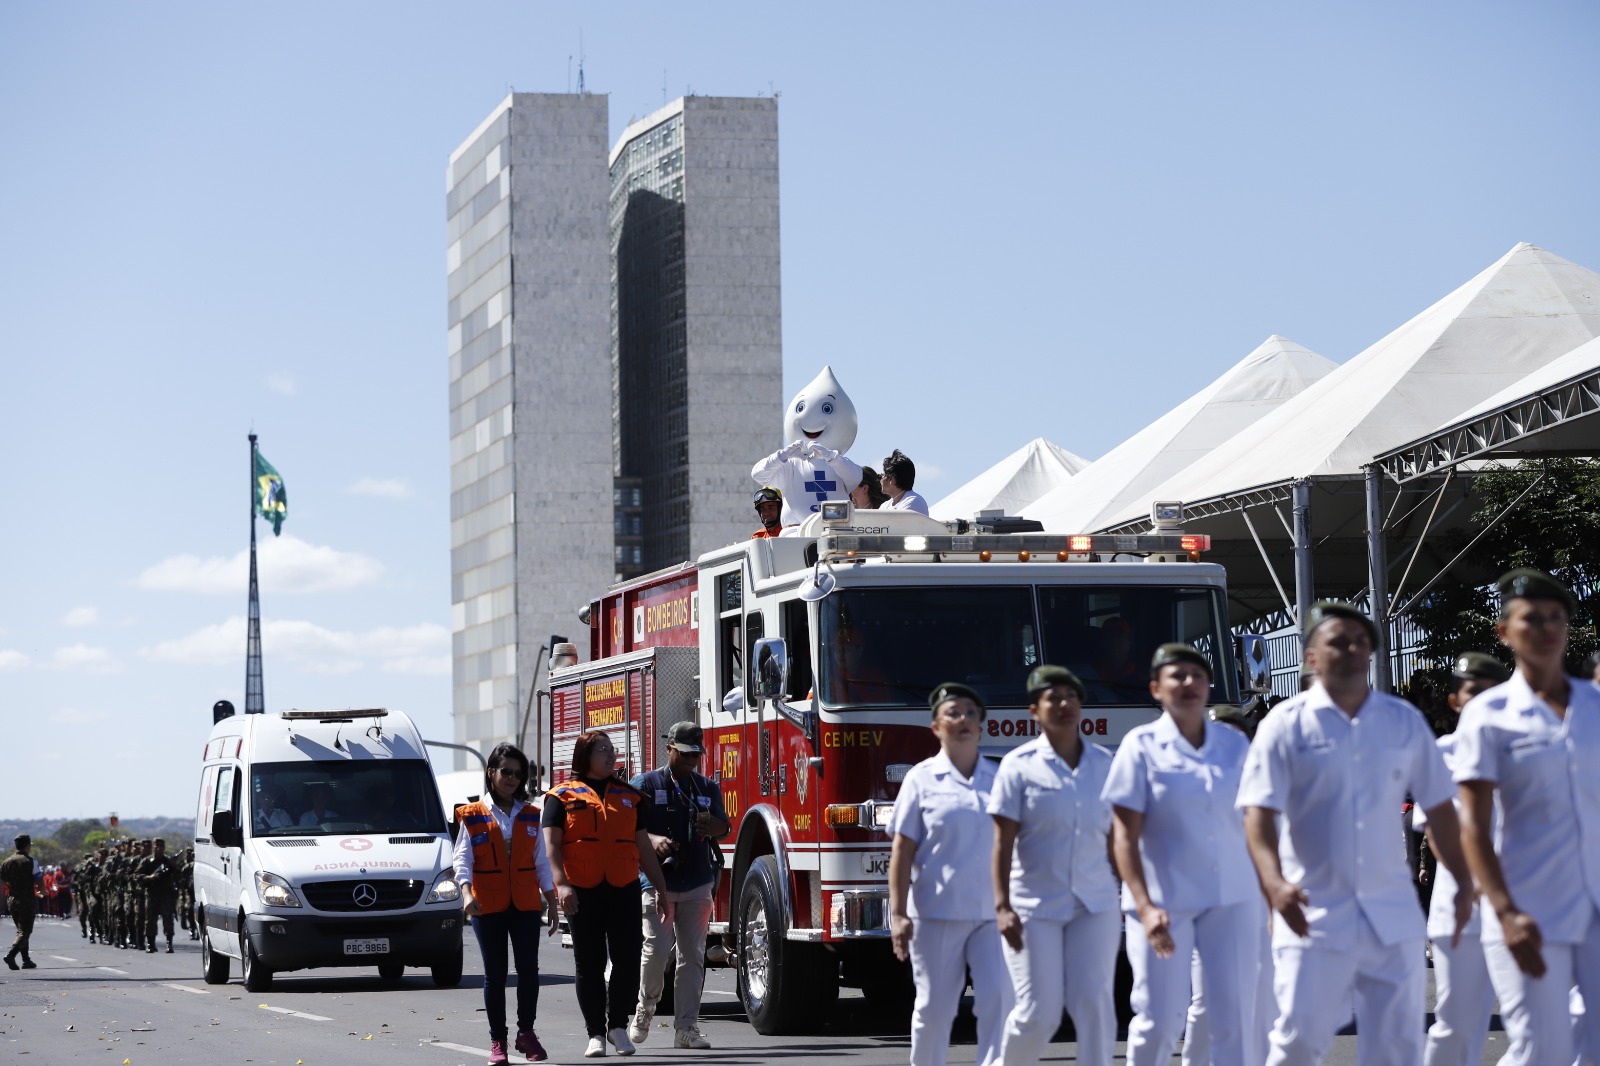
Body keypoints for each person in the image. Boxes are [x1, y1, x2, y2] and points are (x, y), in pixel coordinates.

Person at [1238, 601, 1475, 1066]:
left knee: (1396, 1046)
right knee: (1298, 1041)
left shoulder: (1401, 721)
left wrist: (1464, 882)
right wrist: (1272, 883)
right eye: (1337, 642)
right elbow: (1257, 816)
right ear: (1310, 656)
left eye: (1360, 642)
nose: (1350, 650)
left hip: (1390, 911)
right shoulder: (1284, 726)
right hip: (1310, 910)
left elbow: (1442, 809)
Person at [1454, 569, 1600, 1066]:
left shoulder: (1595, 707)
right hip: (1530, 908)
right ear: (1505, 631)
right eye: (1531, 619)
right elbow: (1472, 826)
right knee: (1542, 1049)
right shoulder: (1490, 713)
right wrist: (1505, 910)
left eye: (1556, 618)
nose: (1545, 629)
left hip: (1596, 904)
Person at [1104, 643, 1261, 1066]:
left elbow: (1255, 823)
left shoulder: (1234, 745)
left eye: (1197, 675)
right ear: (1156, 688)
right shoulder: (1140, 746)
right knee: (1158, 1018)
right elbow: (1124, 836)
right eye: (1177, 676)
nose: (1189, 683)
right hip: (1163, 902)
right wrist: (1143, 903)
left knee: (1231, 1016)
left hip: (1231, 899)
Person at [989, 665, 1120, 1066]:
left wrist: (1134, 893)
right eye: (1053, 698)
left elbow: (1119, 839)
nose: (1064, 704)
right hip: (1034, 906)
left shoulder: (1104, 763)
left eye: (1071, 696)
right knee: (1038, 1013)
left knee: (1094, 1004)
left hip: (1095, 903)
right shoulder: (1018, 765)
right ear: (1034, 711)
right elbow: (1002, 842)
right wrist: (1002, 906)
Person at [889, 682, 1012, 1066]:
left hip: (993, 914)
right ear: (936, 727)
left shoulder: (1000, 779)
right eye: (953, 713)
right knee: (936, 1008)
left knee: (1001, 1001)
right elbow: (902, 851)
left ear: (981, 726)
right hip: (937, 912)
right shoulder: (921, 780)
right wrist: (897, 912)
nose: (963, 720)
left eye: (971, 714)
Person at [543, 731, 673, 1059]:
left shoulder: (628, 796)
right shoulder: (560, 797)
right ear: (585, 754)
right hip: (582, 891)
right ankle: (595, 1034)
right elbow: (551, 847)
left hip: (623, 888)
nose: (611, 754)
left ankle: (617, 1026)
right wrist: (561, 884)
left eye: (613, 750)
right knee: (589, 963)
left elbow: (643, 846)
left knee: (627, 959)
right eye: (603, 749)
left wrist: (660, 888)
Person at [1417, 651, 1509, 1066]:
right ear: (1455, 700)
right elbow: (1436, 830)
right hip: (1462, 909)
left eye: (1494, 692)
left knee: (1538, 1025)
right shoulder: (1443, 752)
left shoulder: (1526, 749)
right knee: (1457, 1024)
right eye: (1474, 691)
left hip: (1519, 908)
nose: (1483, 700)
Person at [627, 721, 732, 1051]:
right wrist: (654, 839)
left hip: (698, 881)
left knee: (693, 957)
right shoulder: (644, 784)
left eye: (696, 754)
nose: (692, 760)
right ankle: (644, 1009)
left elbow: (724, 827)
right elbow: (627, 828)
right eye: (685, 754)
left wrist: (710, 824)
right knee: (656, 952)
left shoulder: (707, 787)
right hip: (657, 882)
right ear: (669, 748)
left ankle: (686, 1028)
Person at [454, 742, 558, 1065]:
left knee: (529, 971)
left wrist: (552, 901)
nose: (512, 778)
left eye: (518, 773)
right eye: (506, 772)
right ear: (491, 773)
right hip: (487, 907)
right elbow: (462, 860)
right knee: (495, 974)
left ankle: (526, 1032)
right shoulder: (472, 816)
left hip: (526, 904)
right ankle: (497, 1041)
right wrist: (467, 894)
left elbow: (542, 862)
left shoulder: (531, 815)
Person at [750, 365, 863, 526]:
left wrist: (830, 456)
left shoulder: (839, 464)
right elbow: (758, 474)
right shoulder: (790, 466)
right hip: (795, 531)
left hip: (837, 529)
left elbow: (855, 476)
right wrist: (783, 455)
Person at [2, 835, 40, 970]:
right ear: (27, 846)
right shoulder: (30, 861)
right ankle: (11, 955)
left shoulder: (7, 862)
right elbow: (39, 879)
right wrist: (43, 891)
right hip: (26, 900)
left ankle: (26, 960)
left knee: (21, 930)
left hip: (11, 900)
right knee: (25, 930)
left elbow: (2, 882)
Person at [143, 838, 178, 953]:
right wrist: (149, 877)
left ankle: (169, 943)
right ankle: (150, 944)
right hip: (152, 894)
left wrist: (174, 867)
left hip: (165, 895)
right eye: (156, 846)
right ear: (153, 847)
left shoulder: (168, 861)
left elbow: (179, 877)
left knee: (168, 919)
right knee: (150, 921)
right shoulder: (147, 861)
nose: (158, 848)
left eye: (161, 847)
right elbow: (135, 876)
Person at [879, 449, 930, 515]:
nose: (880, 480)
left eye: (883, 475)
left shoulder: (913, 502)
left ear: (892, 479)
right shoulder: (885, 506)